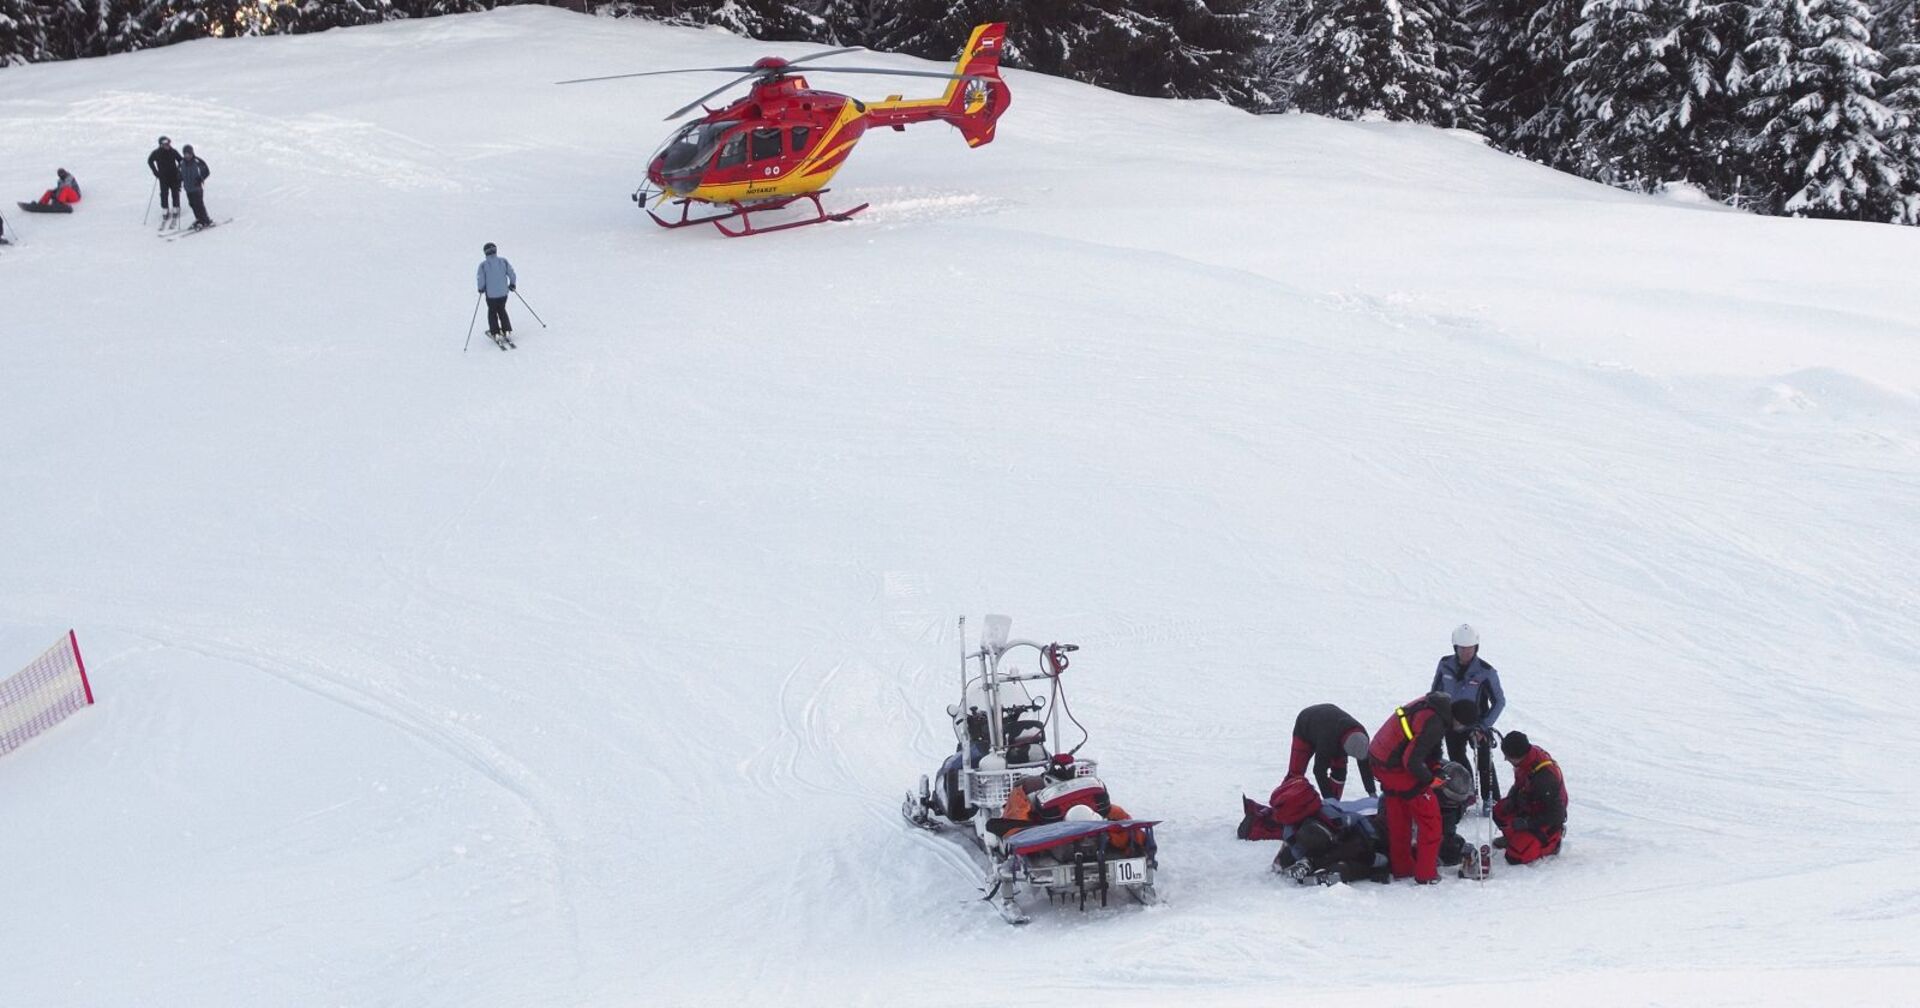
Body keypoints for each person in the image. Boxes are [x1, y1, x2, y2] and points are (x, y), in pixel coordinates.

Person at [1367, 691, 1477, 884]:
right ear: (1459, 720)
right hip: (1396, 767)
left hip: (1380, 761)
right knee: (1431, 821)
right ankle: (1426, 875)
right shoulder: (1435, 723)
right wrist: (1429, 780)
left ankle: (1403, 869)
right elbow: (1411, 761)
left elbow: (1427, 746)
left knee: (1399, 817)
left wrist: (1434, 766)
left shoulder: (1434, 707)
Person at [1431, 623, 1507, 808]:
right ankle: (1465, 794)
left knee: (1484, 762)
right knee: (1458, 759)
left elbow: (1499, 701)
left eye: (1470, 649)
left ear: (1476, 647)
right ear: (1455, 647)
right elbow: (1435, 693)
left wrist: (1484, 726)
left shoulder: (1485, 671)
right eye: (1462, 648)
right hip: (1451, 723)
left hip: (1476, 725)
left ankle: (1491, 799)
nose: (1466, 652)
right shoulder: (1445, 665)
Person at [1493, 730, 1566, 865]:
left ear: (1517, 756)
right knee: (1499, 810)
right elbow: (1519, 784)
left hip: (1546, 818)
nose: (1506, 760)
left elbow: (1558, 814)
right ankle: (1514, 838)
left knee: (1515, 856)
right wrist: (1512, 799)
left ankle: (1552, 843)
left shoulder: (1544, 778)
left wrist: (1528, 823)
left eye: (1508, 757)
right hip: (1530, 805)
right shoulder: (1527, 760)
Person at [1286, 703, 1378, 800]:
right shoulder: (1328, 742)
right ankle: (1284, 803)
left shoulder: (1362, 737)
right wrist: (1328, 798)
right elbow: (1319, 771)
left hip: (1334, 730)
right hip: (1306, 724)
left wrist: (1372, 792)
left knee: (1340, 773)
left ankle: (1335, 804)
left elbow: (1365, 766)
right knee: (1296, 774)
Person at [476, 242, 518, 340]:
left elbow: (480, 278)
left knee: (492, 312)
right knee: (502, 309)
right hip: (503, 293)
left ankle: (495, 332)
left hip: (491, 295)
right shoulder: (503, 261)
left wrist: (481, 288)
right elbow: (512, 273)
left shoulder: (483, 265)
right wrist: (512, 284)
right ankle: (506, 330)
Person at [148, 136, 183, 227]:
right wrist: (155, 172)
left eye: (168, 143)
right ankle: (165, 210)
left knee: (175, 192)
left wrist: (179, 170)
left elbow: (181, 160)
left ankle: (176, 208)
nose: (167, 145)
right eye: (165, 144)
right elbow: (150, 161)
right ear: (161, 145)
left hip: (174, 176)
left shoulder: (173, 151)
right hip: (163, 177)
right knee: (164, 194)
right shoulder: (156, 153)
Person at [179, 145, 213, 228]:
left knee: (199, 204)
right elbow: (179, 174)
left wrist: (200, 179)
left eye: (189, 154)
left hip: (197, 188)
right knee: (192, 204)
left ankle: (205, 220)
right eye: (185, 154)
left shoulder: (197, 161)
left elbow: (206, 171)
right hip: (188, 188)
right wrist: (178, 183)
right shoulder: (181, 163)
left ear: (192, 153)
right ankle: (199, 219)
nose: (187, 156)